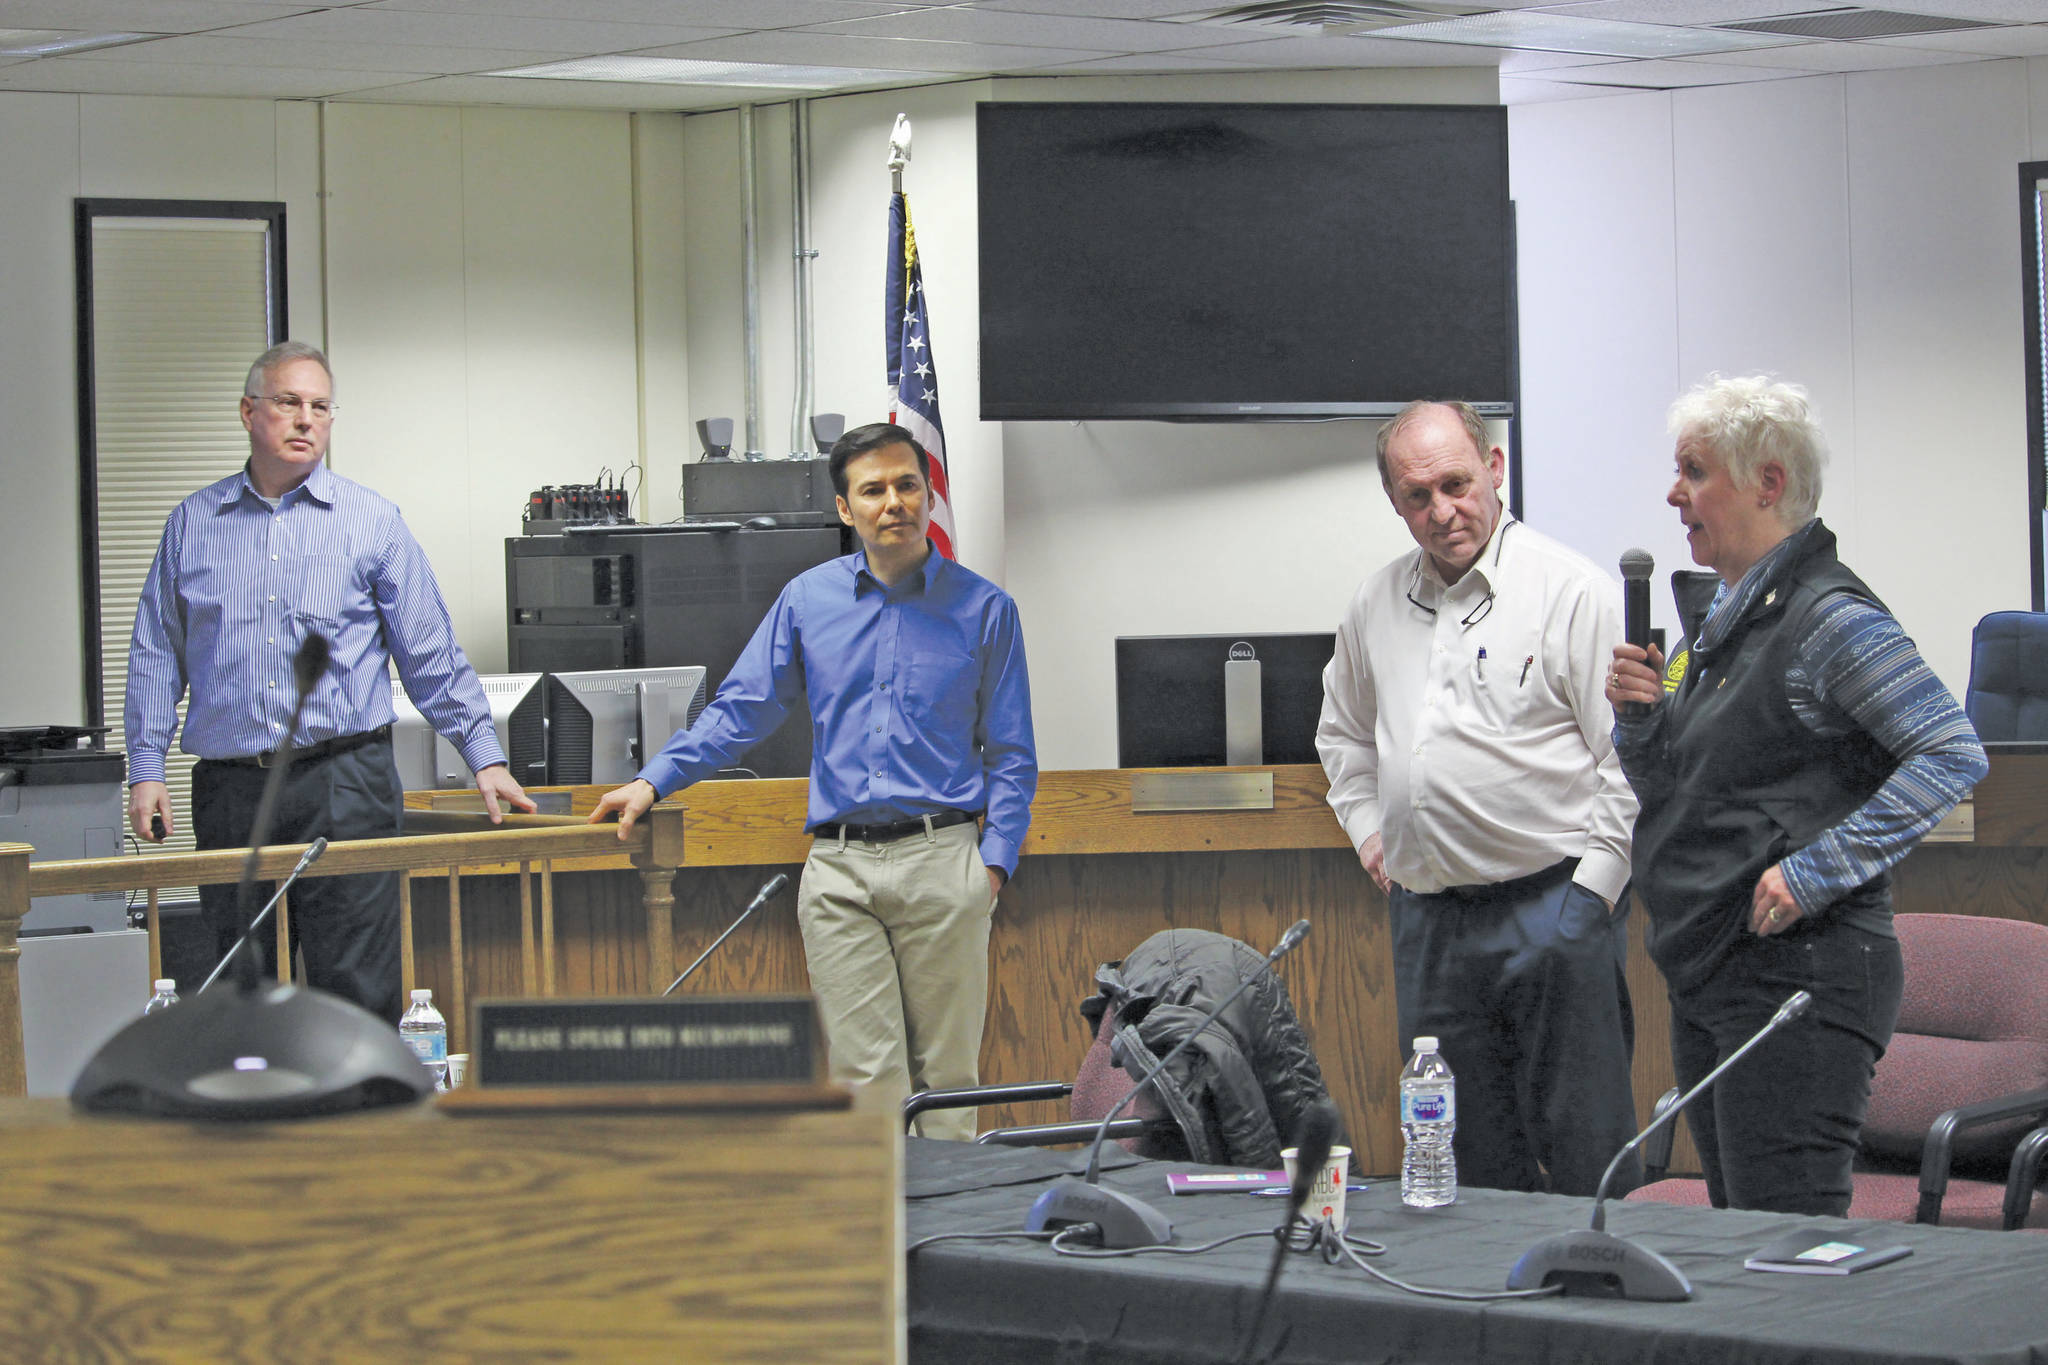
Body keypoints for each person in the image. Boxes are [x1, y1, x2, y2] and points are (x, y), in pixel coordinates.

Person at [590, 422, 1036, 1139]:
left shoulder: (986, 611)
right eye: (873, 489)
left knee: (949, 1083)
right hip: (839, 871)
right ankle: (880, 1248)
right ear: (844, 509)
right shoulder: (807, 602)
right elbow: (741, 710)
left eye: (907, 484)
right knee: (867, 1084)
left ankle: (942, 1245)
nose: (894, 501)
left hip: (943, 863)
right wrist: (653, 781)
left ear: (928, 493)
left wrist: (992, 866)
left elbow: (1011, 753)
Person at [1608, 375, 1985, 1215]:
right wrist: (1639, 723)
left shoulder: (1830, 619)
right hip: (1713, 962)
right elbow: (1676, 792)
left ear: (1767, 483)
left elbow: (1951, 750)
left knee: (1790, 1250)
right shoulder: (1726, 620)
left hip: (1802, 971)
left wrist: (1817, 872)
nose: (1675, 494)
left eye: (1695, 472)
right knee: (1740, 1235)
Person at [125, 341, 534, 1021]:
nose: (305, 419)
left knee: (357, 982)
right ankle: (262, 1124)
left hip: (347, 779)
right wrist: (146, 766)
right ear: (250, 411)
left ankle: (365, 1126)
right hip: (234, 787)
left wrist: (483, 754)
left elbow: (428, 652)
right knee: (241, 981)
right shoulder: (193, 525)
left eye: (320, 407)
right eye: (288, 402)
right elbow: (155, 653)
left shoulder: (370, 520)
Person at [1317, 399, 1641, 1196]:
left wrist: (1589, 900)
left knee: (1584, 1148)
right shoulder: (1374, 603)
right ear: (1395, 503)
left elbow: (1628, 762)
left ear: (1495, 470)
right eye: (1417, 496)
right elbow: (1344, 740)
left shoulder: (1572, 591)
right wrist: (1368, 834)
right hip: (1430, 924)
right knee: (1460, 1161)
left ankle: (1601, 1315)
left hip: (1553, 909)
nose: (1442, 510)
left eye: (1456, 484)